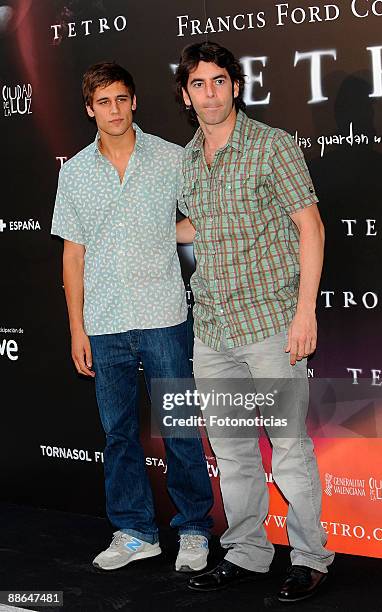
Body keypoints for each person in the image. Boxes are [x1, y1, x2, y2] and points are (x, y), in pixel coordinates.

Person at [175, 42, 334, 602]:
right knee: (233, 449)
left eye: (219, 81)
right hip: (213, 330)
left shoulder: (272, 147)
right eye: (199, 84)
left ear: (235, 87)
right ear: (186, 94)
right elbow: (200, 227)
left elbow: (310, 227)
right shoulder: (188, 159)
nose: (210, 92)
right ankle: (246, 551)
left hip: (271, 323)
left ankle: (310, 557)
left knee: (288, 447)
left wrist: (305, 311)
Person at [51, 61, 213, 573]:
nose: (114, 110)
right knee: (118, 434)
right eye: (103, 102)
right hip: (103, 322)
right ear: (89, 109)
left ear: (135, 101)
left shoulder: (170, 158)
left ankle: (193, 530)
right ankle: (135, 531)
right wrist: (77, 327)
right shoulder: (74, 172)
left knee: (180, 427)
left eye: (121, 99)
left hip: (164, 315)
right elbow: (72, 254)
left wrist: (177, 234)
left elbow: (198, 218)